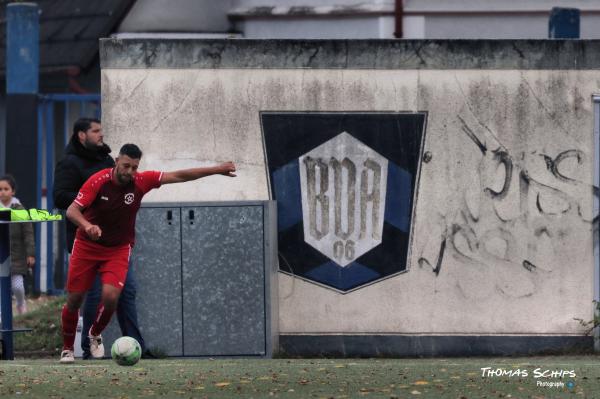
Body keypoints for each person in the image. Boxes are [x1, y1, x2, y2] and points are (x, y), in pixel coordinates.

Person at [59, 143, 236, 363]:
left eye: (134, 167)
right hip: (87, 246)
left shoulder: (142, 181)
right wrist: (87, 226)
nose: (130, 172)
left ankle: (95, 333)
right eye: (126, 166)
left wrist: (217, 169)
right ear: (116, 162)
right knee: (75, 300)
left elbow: (179, 176)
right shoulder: (97, 181)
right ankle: (67, 348)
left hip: (118, 249)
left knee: (111, 297)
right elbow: (71, 211)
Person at [53, 118, 147, 359]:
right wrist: (95, 196)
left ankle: (136, 347)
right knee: (88, 295)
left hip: (116, 242)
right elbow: (60, 197)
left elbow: (122, 190)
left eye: (101, 130)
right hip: (86, 240)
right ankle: (84, 348)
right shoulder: (70, 163)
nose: (101, 135)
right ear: (81, 135)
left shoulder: (107, 160)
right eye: (96, 131)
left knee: (125, 292)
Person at [0, 175, 35, 314]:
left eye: (6, 189)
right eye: (0, 189)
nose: (2, 192)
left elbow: (28, 233)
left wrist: (31, 253)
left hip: (17, 257)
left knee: (18, 287)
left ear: (12, 191)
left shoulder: (20, 210)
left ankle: (21, 303)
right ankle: (2, 316)